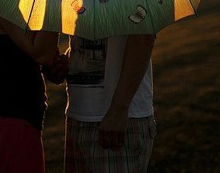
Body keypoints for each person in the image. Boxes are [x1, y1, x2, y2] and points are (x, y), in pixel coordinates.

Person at [0, 8, 60, 173]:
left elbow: (41, 55)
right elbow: (42, 54)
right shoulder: (0, 4)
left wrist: (54, 68)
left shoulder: (13, 4)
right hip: (8, 126)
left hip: (10, 124)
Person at [61, 34, 157, 172]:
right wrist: (69, 60)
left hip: (118, 119)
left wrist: (118, 110)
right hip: (78, 115)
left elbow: (144, 37)